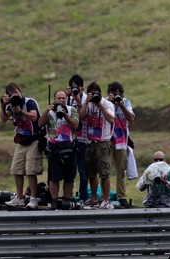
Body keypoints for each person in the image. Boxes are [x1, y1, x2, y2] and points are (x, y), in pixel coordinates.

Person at [0, 82, 43, 210]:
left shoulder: (29, 102)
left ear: (20, 91)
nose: (15, 95)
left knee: (30, 170)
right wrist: (3, 105)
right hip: (21, 141)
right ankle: (19, 198)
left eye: (16, 92)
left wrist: (20, 112)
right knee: (16, 169)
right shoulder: (10, 105)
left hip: (34, 139)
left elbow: (34, 117)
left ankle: (33, 198)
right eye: (12, 94)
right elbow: (3, 119)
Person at [37, 90, 79, 204]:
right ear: (54, 100)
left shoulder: (72, 110)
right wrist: (47, 110)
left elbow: (75, 125)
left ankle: (66, 199)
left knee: (69, 176)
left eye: (63, 98)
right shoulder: (50, 112)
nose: (61, 100)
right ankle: (54, 200)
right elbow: (40, 124)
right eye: (59, 98)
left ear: (66, 99)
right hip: (54, 147)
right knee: (54, 177)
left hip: (69, 146)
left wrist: (64, 113)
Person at [79, 81, 115, 209]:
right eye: (92, 93)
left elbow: (111, 119)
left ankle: (105, 199)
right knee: (91, 173)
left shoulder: (107, 104)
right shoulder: (87, 104)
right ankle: (94, 198)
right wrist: (86, 102)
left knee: (104, 173)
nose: (94, 96)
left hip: (103, 142)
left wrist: (100, 105)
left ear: (100, 94)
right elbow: (80, 117)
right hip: (90, 142)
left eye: (96, 93)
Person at [107, 81, 135, 207]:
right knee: (105, 169)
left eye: (118, 94)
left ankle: (122, 196)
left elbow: (131, 118)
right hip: (107, 138)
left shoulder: (126, 102)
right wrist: (110, 102)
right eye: (113, 94)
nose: (116, 96)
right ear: (109, 94)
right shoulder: (104, 102)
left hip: (121, 139)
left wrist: (121, 105)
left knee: (121, 169)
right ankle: (104, 196)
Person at [65, 74, 88, 202]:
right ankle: (69, 196)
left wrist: (78, 100)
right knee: (70, 171)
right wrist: (67, 97)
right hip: (69, 140)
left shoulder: (85, 100)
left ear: (82, 88)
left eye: (77, 87)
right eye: (72, 87)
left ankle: (83, 197)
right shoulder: (66, 99)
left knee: (83, 172)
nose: (74, 90)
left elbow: (82, 117)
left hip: (82, 139)